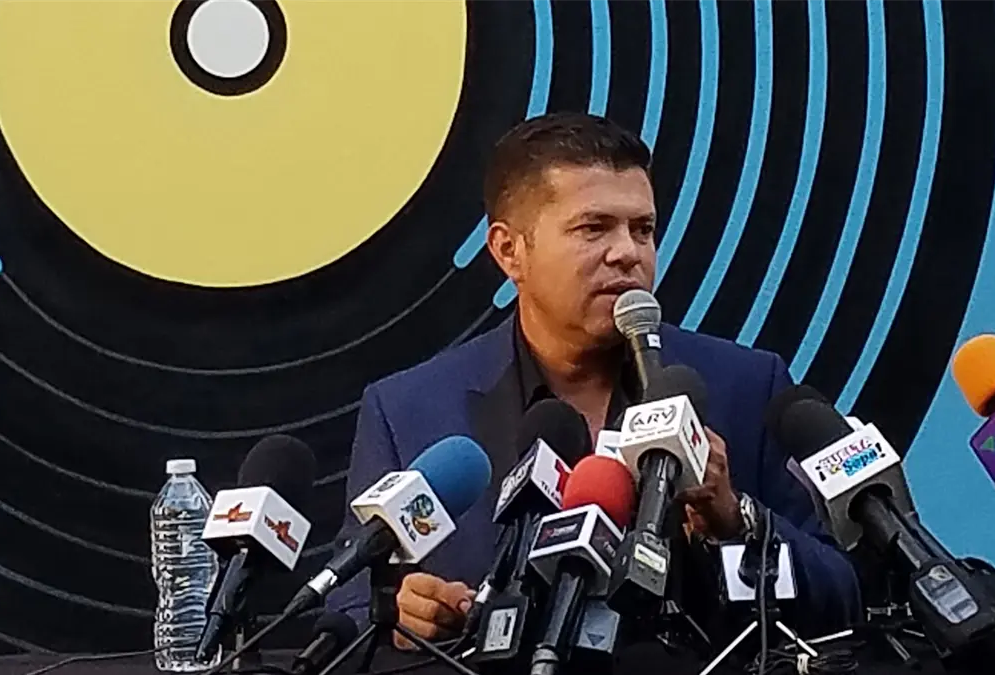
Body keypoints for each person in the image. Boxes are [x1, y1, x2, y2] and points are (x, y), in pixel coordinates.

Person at [327, 112, 860, 648]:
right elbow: (346, 609)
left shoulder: (746, 385)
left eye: (643, 229)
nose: (628, 252)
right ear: (509, 251)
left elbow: (843, 595)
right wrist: (398, 615)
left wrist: (738, 519)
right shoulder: (409, 410)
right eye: (594, 228)